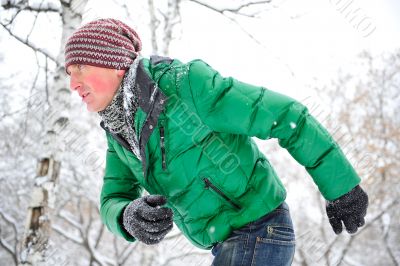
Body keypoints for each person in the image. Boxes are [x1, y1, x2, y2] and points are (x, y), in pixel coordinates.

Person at [64, 18, 369, 266]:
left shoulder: (186, 85)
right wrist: (126, 216)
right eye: (68, 74)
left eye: (80, 69)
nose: (73, 84)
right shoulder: (119, 129)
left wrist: (341, 187)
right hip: (228, 243)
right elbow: (113, 197)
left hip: (260, 230)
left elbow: (286, 116)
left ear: (115, 64)